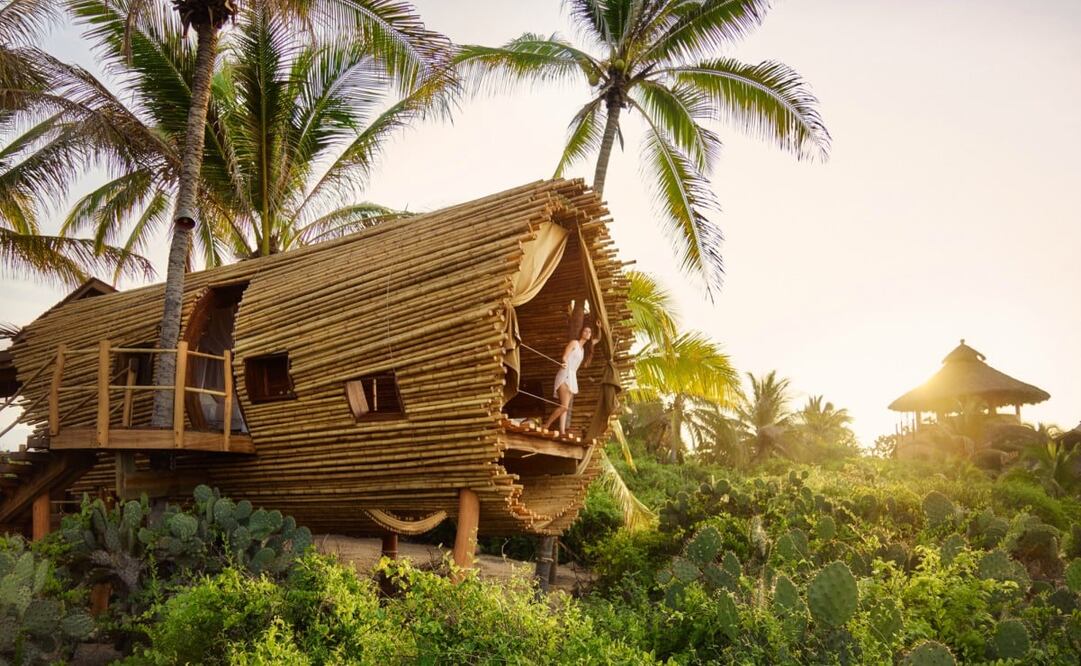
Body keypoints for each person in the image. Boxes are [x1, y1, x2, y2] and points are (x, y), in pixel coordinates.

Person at [543, 325, 593, 433]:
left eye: (589, 332)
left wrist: (599, 328)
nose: (587, 333)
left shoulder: (583, 350)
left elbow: (596, 340)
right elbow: (565, 356)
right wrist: (564, 362)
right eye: (585, 331)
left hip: (572, 377)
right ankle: (546, 425)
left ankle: (562, 431)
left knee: (565, 407)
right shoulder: (574, 343)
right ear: (581, 332)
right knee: (564, 406)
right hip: (565, 373)